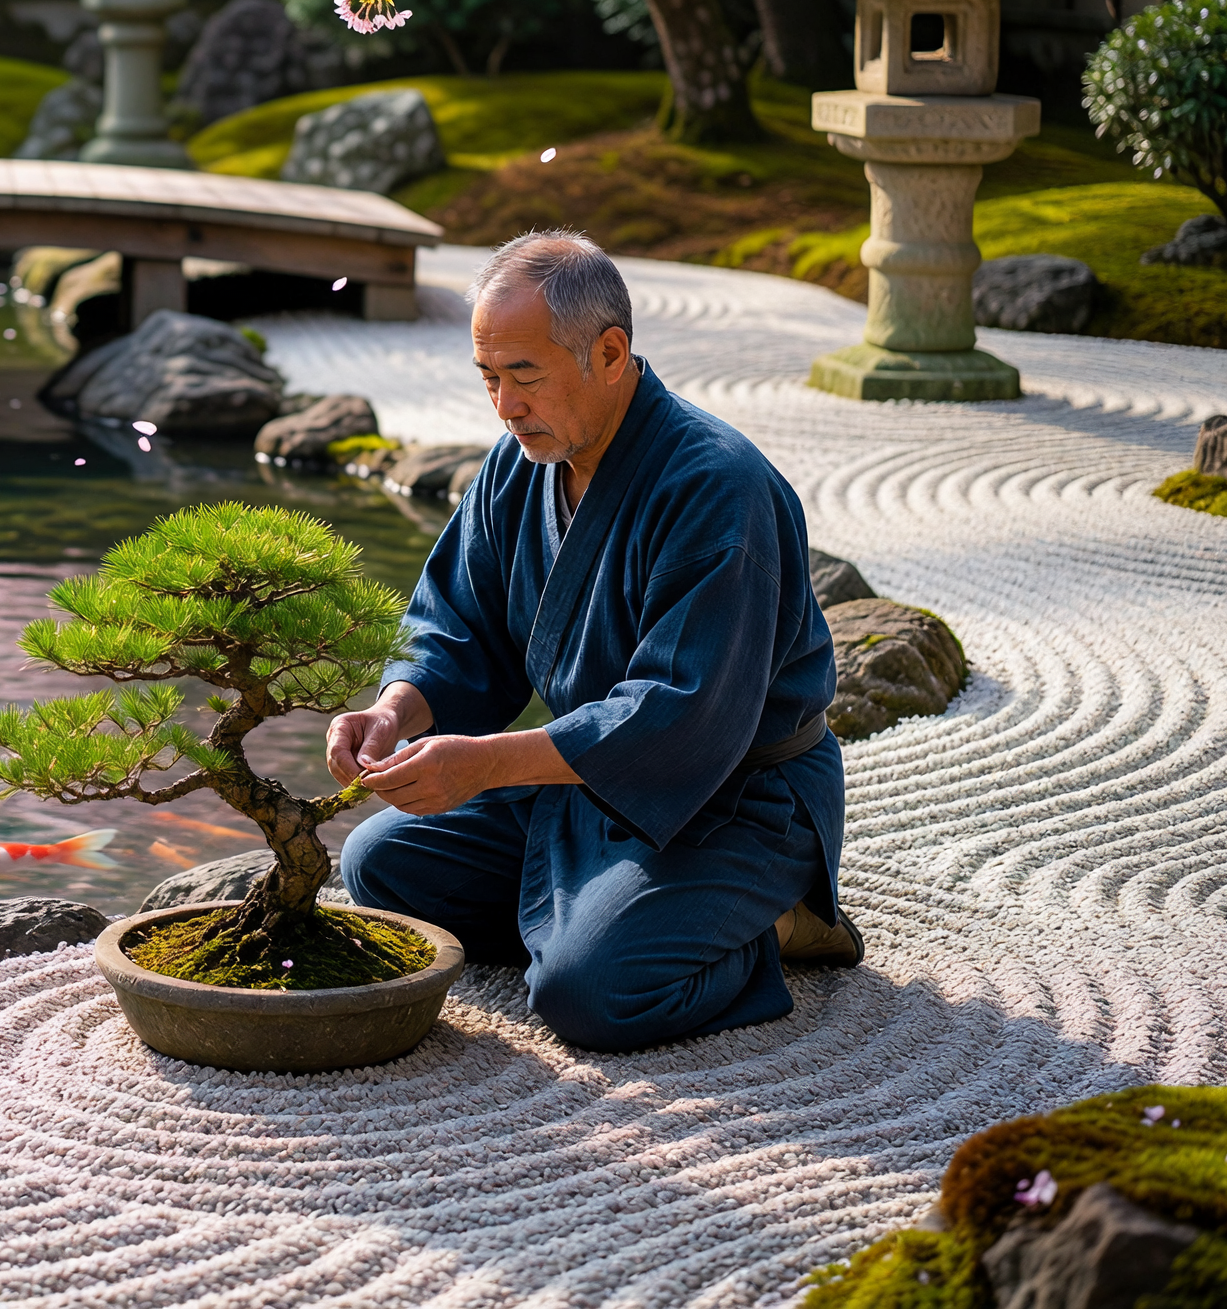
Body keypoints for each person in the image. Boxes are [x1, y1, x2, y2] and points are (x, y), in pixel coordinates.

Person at [331, 228, 857, 1054]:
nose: (504, 405)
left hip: (730, 799)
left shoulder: (717, 487)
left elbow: (677, 714)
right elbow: (458, 623)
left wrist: (486, 765)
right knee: (380, 863)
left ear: (609, 353)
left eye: (525, 376)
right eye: (489, 378)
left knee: (590, 991)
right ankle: (590, 904)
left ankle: (785, 923)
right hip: (584, 778)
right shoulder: (520, 464)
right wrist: (395, 711)